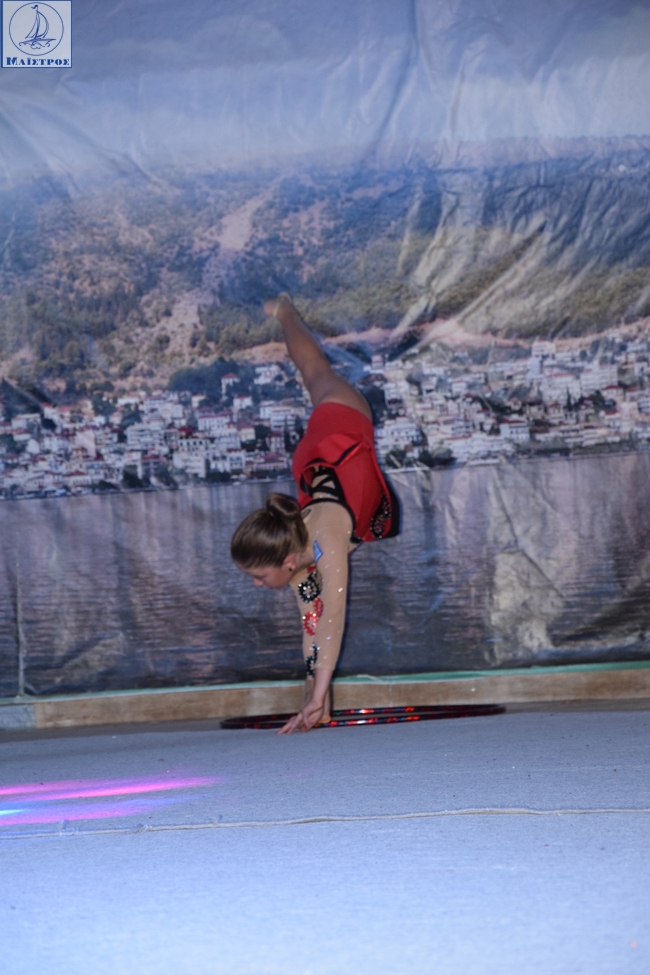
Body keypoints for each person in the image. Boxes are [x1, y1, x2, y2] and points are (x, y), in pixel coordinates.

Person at [230, 294, 398, 733]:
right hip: (314, 463)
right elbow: (313, 626)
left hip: (342, 423)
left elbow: (334, 617)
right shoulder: (299, 566)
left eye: (258, 575)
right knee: (311, 372)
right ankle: (285, 312)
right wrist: (312, 699)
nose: (256, 583)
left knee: (315, 370)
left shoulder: (326, 538)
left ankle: (286, 310)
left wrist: (320, 696)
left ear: (286, 561)